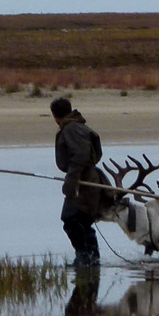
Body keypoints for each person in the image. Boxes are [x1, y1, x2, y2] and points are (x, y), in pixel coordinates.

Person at [51, 96, 108, 267]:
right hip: (88, 182)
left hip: (83, 184)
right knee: (83, 220)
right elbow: (95, 154)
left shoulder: (71, 129)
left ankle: (84, 256)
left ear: (55, 116)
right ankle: (93, 257)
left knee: (69, 219)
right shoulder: (80, 127)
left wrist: (72, 180)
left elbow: (81, 156)